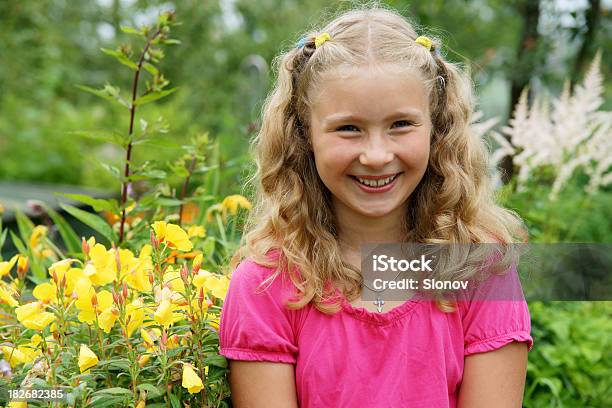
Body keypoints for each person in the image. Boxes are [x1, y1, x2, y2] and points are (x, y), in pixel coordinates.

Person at [219, 5, 533, 407]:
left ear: (436, 128)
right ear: (304, 134)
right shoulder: (266, 284)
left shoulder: (480, 270)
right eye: (348, 128)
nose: (376, 155)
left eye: (401, 124)